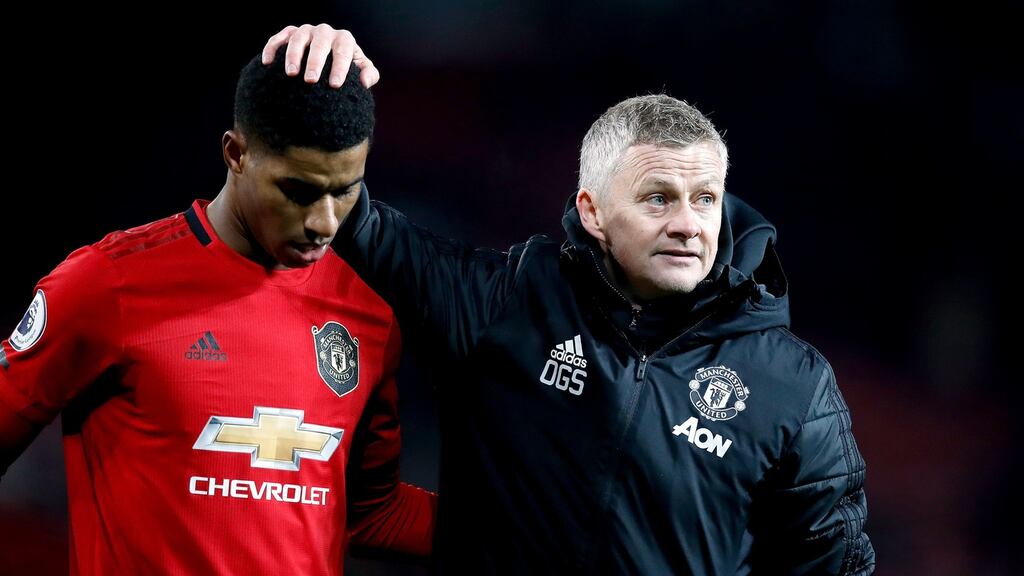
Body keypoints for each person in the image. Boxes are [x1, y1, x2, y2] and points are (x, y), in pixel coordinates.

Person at [271, 25, 876, 575]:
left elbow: (835, 568)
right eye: (658, 198)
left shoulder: (794, 387)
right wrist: (322, 89)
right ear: (592, 212)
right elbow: (355, 223)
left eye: (706, 198)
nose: (689, 224)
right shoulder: (508, 301)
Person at [0, 43, 435, 574]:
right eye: (298, 192)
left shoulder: (367, 314)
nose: (324, 222)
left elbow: (374, 515)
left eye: (345, 192)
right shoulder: (108, 284)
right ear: (235, 153)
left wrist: (545, 527)